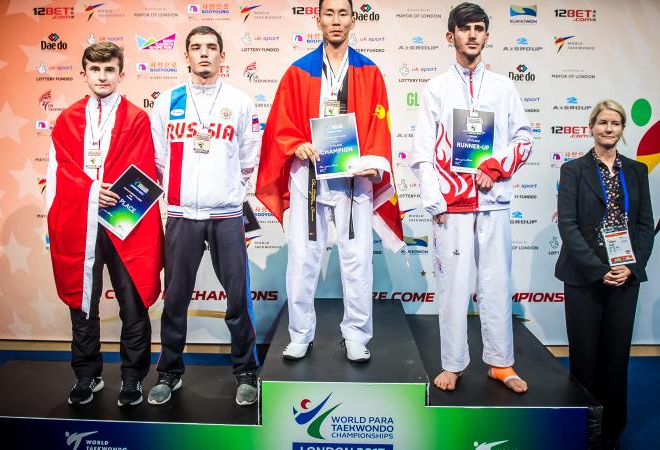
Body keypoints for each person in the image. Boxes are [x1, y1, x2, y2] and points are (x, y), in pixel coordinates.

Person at [256, 0, 403, 362]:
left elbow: (379, 124)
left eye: (343, 14)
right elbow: (280, 123)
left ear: (353, 20)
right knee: (303, 260)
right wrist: (297, 143)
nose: (336, 21)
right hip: (308, 177)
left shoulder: (369, 71)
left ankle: (356, 334)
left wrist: (372, 162)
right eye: (329, 13)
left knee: (357, 260)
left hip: (354, 179)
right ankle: (300, 334)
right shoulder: (298, 71)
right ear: (318, 19)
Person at [410, 2, 532, 393]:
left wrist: (495, 167)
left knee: (496, 282)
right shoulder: (435, 88)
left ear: (486, 35)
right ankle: (454, 363)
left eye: (479, 28)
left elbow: (524, 138)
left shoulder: (503, 87)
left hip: (492, 199)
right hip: (452, 207)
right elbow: (422, 152)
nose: (473, 35)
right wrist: (435, 202)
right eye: (465, 29)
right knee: (453, 288)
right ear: (451, 37)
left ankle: (501, 363)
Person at [148, 26, 262, 407]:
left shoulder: (240, 102)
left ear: (222, 55)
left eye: (212, 47)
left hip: (228, 215)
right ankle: (169, 372)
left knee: (237, 301)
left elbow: (249, 158)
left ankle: (245, 372)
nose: (204, 54)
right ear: (186, 56)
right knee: (176, 297)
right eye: (196, 48)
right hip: (181, 215)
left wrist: (224, 189)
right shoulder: (166, 101)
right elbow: (159, 158)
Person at [46, 42, 164, 407]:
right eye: (95, 70)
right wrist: (95, 190)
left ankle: (132, 378)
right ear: (84, 74)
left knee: (132, 304)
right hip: (81, 220)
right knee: (83, 303)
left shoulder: (136, 118)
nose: (102, 76)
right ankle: (87, 375)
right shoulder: (67, 119)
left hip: (126, 222)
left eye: (109, 70)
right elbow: (61, 170)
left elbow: (146, 167)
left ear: (121, 74)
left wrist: (113, 193)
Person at [556, 99, 654, 449]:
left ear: (623, 129)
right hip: (585, 277)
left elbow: (645, 224)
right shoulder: (573, 170)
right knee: (584, 358)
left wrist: (631, 266)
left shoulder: (637, 170)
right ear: (591, 127)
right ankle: (583, 428)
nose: (608, 128)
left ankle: (611, 432)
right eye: (602, 123)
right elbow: (567, 225)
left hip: (625, 277)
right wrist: (599, 270)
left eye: (615, 123)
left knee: (616, 358)